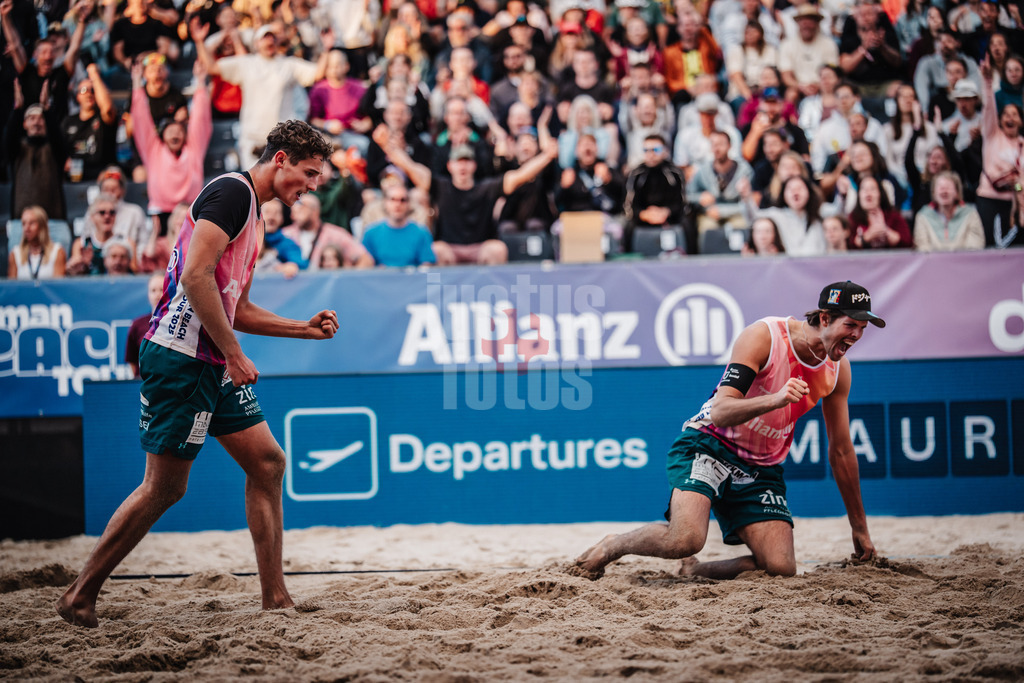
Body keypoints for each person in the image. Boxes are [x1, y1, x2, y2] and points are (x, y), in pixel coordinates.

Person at [56, 120, 340, 628]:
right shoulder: (232, 191)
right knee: (164, 488)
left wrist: (303, 329)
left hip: (210, 358)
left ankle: (275, 598)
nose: (314, 185)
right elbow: (194, 275)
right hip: (182, 356)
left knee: (268, 463)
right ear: (280, 160)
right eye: (310, 173)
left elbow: (239, 307)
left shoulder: (256, 214)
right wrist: (234, 355)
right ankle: (79, 594)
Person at [574, 281, 883, 580]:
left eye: (862, 329)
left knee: (779, 569)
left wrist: (859, 529)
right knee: (685, 540)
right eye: (850, 325)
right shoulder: (765, 336)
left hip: (760, 467)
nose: (856, 335)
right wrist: (775, 399)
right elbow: (721, 412)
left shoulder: (838, 370)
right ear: (825, 318)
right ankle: (613, 545)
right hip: (709, 444)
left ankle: (695, 571)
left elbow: (841, 451)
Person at [382, 132, 559, 266]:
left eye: (467, 161)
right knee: (436, 250)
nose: (463, 166)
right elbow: (411, 167)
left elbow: (520, 176)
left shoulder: (487, 188)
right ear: (450, 166)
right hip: (450, 248)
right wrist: (387, 147)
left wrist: (547, 156)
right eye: (458, 161)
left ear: (474, 165)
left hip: (481, 248)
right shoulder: (440, 186)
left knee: (497, 249)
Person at [281, 193, 373, 270]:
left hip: (327, 289)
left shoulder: (336, 235)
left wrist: (348, 281)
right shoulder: (286, 235)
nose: (295, 212)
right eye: (293, 208)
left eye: (300, 206)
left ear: (315, 211)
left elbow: (365, 259)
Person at [361, 184, 437, 267]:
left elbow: (427, 265)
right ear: (385, 202)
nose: (397, 204)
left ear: (409, 204)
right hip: (381, 279)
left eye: (402, 200)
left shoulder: (421, 233)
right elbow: (364, 265)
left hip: (412, 279)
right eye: (393, 199)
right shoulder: (371, 233)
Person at [913, 171, 985, 251]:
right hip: (933, 263)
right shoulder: (923, 216)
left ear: (957, 193)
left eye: (948, 187)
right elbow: (922, 248)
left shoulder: (971, 214)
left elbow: (974, 248)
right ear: (934, 193)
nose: (944, 191)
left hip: (963, 262)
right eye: (940, 187)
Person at [7, 205, 67, 279]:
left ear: (42, 226)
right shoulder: (15, 253)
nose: (27, 228)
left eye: (31, 223)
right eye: (24, 224)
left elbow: (58, 287)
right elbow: (11, 288)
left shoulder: (57, 252)